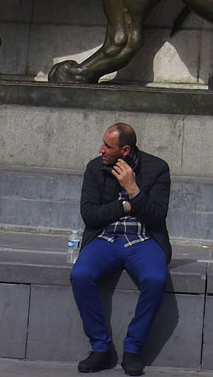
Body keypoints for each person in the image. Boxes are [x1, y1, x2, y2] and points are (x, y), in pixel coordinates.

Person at [71, 123, 171, 376]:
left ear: (124, 150)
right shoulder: (95, 168)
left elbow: (157, 217)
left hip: (143, 239)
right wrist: (125, 207)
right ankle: (100, 348)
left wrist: (134, 190)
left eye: (108, 146)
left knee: (156, 278)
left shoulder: (158, 169)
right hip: (105, 237)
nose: (101, 149)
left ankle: (133, 349)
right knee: (80, 275)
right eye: (103, 143)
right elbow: (90, 215)